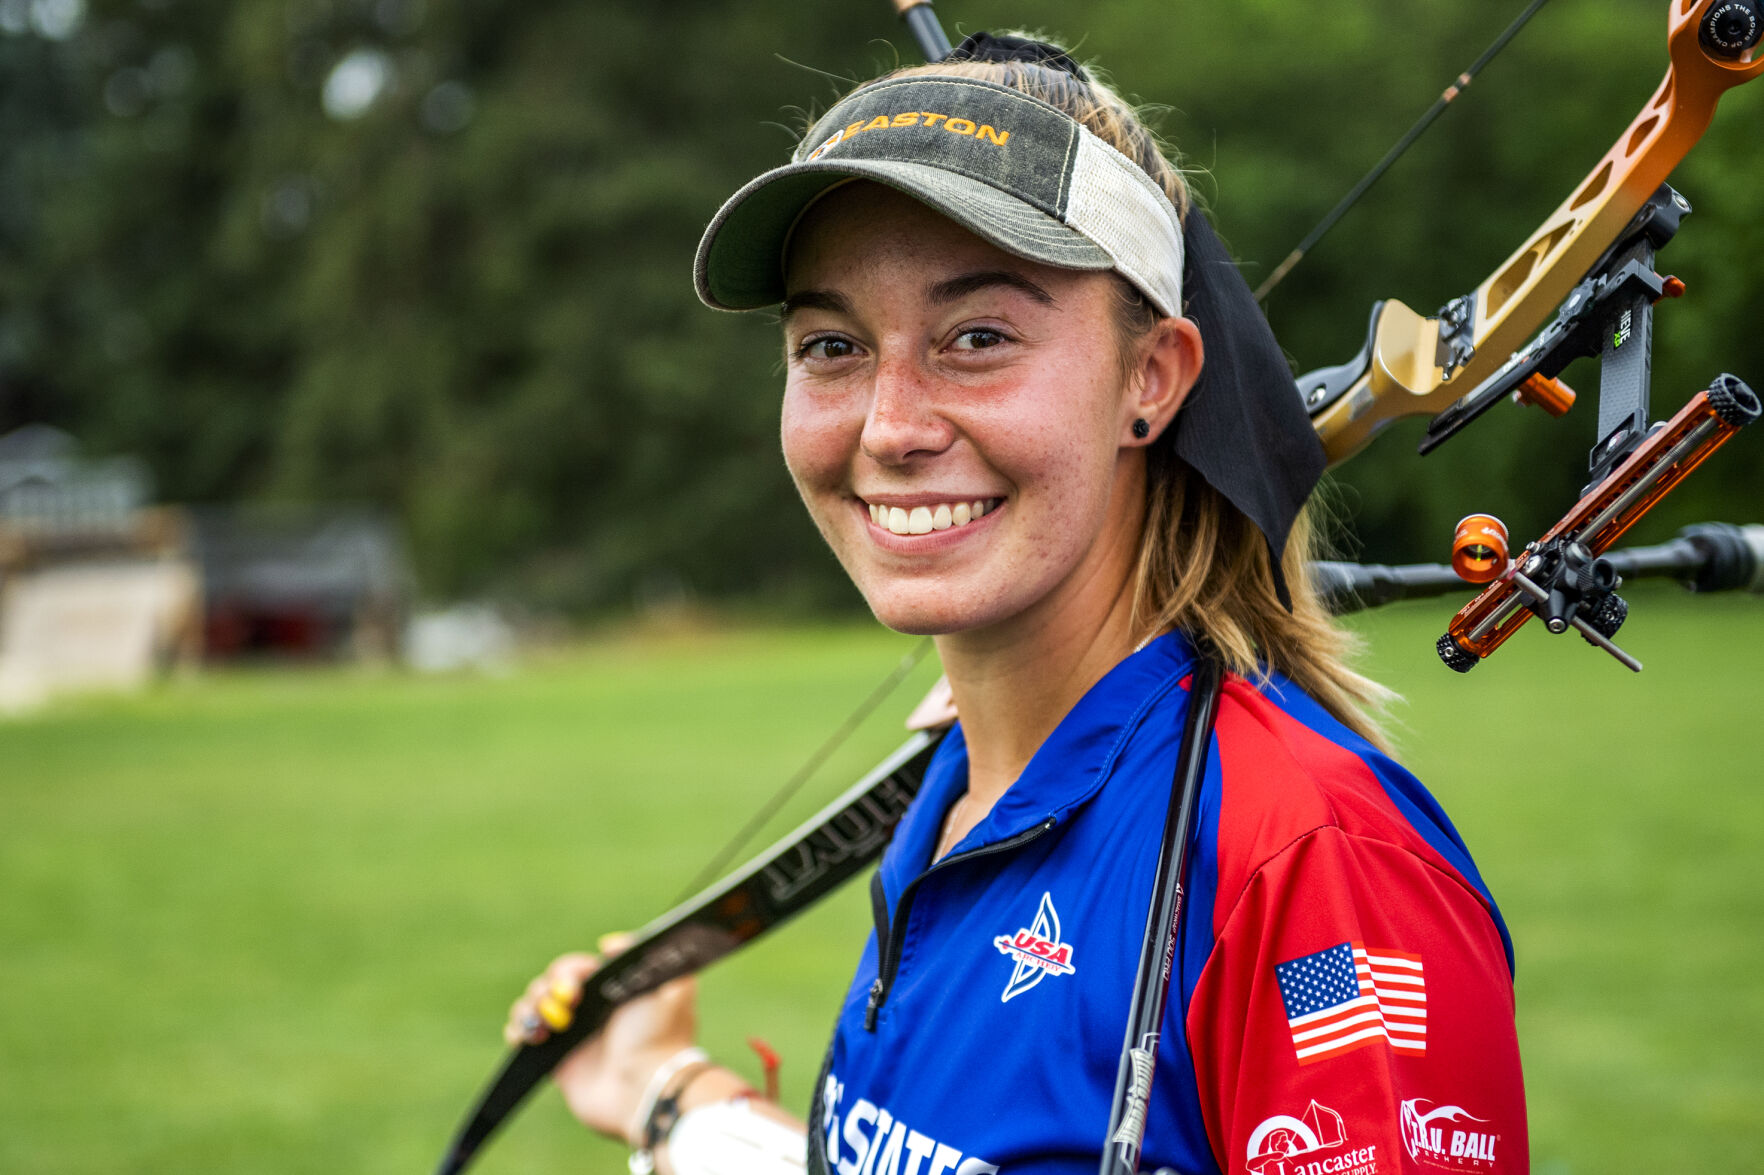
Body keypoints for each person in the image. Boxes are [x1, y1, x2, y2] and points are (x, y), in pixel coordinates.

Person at [505, 33, 1527, 1175]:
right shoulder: (957, 788)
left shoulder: (1319, 869)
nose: (891, 426)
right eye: (832, 344)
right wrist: (670, 1098)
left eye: (978, 337)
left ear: (1153, 378)